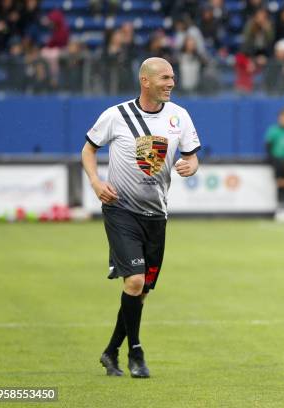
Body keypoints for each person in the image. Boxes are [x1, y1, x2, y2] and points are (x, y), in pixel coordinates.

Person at [81, 57, 201, 378]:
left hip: (156, 216)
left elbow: (191, 156)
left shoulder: (180, 116)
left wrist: (192, 165)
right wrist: (95, 182)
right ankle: (136, 353)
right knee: (134, 281)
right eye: (164, 77)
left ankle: (110, 352)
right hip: (121, 210)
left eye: (173, 77)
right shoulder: (116, 115)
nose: (171, 83)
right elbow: (88, 150)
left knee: (141, 290)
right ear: (145, 81)